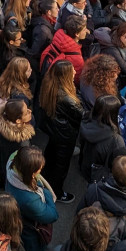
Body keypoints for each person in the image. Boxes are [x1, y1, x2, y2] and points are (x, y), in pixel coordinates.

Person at [5, 144, 58, 251]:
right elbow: (52, 215)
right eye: (38, 170)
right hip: (29, 235)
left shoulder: (12, 161)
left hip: (16, 222)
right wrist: (46, 192)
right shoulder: (29, 200)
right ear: (30, 173)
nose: (40, 172)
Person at [39, 59, 83, 203]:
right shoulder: (68, 98)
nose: (75, 72)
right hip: (65, 135)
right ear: (65, 76)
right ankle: (57, 192)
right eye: (72, 71)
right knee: (61, 165)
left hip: (53, 130)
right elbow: (80, 115)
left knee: (51, 156)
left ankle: (44, 179)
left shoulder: (48, 84)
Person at [78, 94, 126, 183]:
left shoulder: (86, 120)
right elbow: (121, 164)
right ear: (114, 114)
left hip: (87, 167)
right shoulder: (116, 140)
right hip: (102, 176)